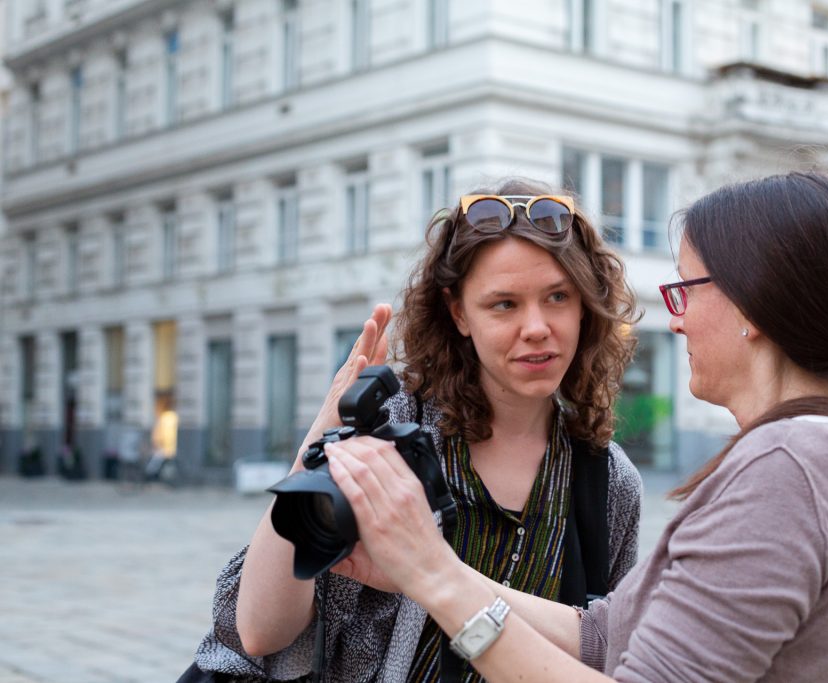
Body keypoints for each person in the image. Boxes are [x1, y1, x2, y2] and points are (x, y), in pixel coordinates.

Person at [324, 171, 828, 682]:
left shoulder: (793, 464)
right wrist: (428, 572)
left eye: (684, 290)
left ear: (752, 305)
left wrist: (435, 581)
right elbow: (608, 637)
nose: (676, 324)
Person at [191, 178, 643, 681]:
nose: (536, 326)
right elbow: (259, 631)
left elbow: (612, 651)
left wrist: (430, 572)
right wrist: (326, 431)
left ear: (585, 305)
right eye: (504, 304)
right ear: (459, 313)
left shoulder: (609, 481)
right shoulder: (392, 435)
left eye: (558, 296)